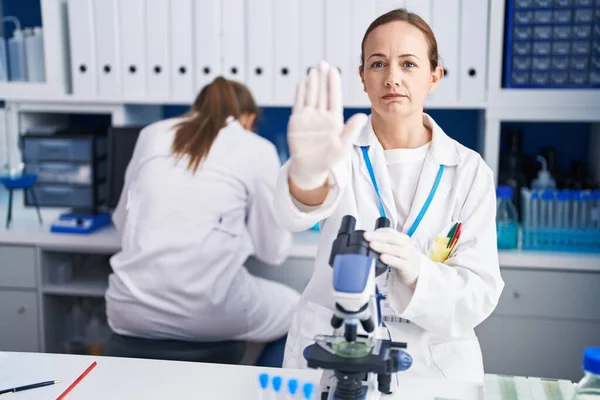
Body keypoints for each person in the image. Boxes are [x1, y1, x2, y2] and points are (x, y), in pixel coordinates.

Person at [274, 9, 505, 383]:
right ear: (363, 77)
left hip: (432, 365)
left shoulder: (469, 171)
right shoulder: (340, 150)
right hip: (335, 349)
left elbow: (478, 293)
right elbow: (302, 207)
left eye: (409, 64)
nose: (392, 77)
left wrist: (420, 272)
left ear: (434, 76)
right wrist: (307, 173)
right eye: (378, 63)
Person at [105, 77, 300, 366]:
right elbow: (274, 252)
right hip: (206, 313)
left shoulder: (152, 134)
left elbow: (122, 222)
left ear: (197, 108)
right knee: (300, 311)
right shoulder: (256, 147)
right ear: (249, 118)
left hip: (129, 309)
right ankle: (256, 389)